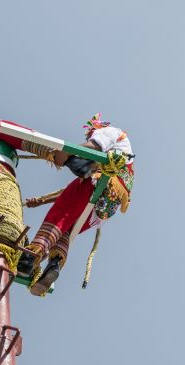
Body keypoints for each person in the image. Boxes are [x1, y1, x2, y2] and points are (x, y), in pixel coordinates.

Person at [17, 113, 135, 296]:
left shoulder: (112, 132)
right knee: (66, 230)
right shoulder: (123, 155)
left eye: (90, 134)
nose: (89, 137)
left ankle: (29, 257)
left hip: (101, 183)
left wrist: (66, 152)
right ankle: (54, 265)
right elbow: (71, 196)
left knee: (59, 215)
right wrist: (40, 200)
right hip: (104, 208)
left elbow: (95, 146)